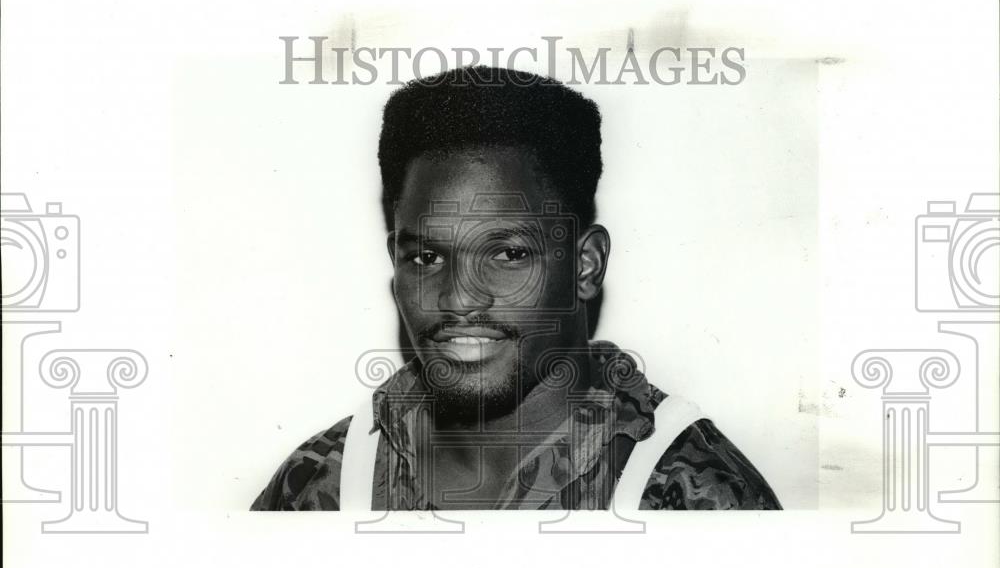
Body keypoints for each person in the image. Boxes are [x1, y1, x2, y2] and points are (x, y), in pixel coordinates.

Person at [251, 66, 781, 511]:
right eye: (427, 257)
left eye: (508, 255)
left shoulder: (688, 496)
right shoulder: (321, 485)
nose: (459, 298)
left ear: (585, 265)